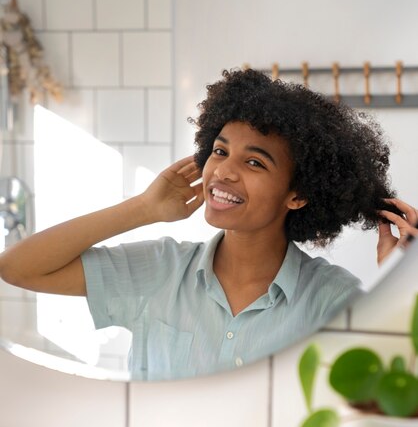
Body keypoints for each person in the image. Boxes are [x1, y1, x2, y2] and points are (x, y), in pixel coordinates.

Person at [0, 69, 417, 380]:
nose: (224, 172)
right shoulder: (159, 270)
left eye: (254, 162)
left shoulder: (331, 299)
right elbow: (18, 267)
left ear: (298, 194)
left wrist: (400, 281)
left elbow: (392, 386)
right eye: (220, 151)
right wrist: (144, 208)